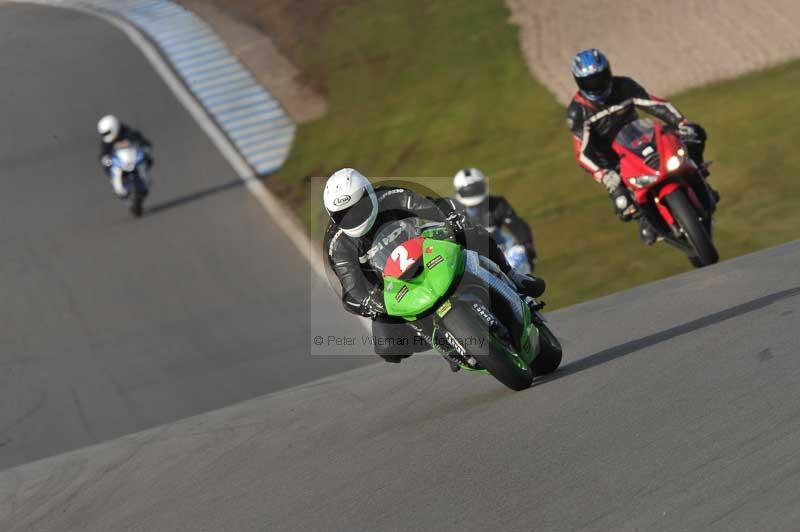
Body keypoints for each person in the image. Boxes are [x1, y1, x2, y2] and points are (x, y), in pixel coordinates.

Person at [323, 168, 546, 365]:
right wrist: (371, 302)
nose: (353, 218)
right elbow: (351, 289)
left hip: (428, 251)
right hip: (394, 287)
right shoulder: (338, 244)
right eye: (344, 215)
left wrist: (450, 219)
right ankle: (446, 341)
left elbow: (431, 206)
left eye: (357, 209)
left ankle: (513, 275)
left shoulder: (390, 196)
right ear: (333, 216)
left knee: (470, 231)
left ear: (369, 194)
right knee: (387, 346)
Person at [566, 48, 718, 245]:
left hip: (640, 138)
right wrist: (603, 174)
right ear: (579, 82)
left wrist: (682, 123)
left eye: (599, 77)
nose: (596, 85)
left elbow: (655, 105)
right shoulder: (577, 112)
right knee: (623, 204)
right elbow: (582, 153)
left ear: (608, 72)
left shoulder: (624, 86)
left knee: (695, 133)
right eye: (589, 81)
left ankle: (698, 172)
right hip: (611, 161)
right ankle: (644, 218)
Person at [452, 167, 536, 269]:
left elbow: (518, 226)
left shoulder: (497, 205)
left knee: (519, 253)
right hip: (475, 260)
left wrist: (527, 246)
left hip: (501, 252)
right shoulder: (454, 213)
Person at [97, 115, 153, 198]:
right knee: (108, 167)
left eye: (107, 133)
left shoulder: (127, 132)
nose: (105, 135)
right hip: (119, 161)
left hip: (133, 157)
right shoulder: (106, 142)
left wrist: (145, 147)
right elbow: (104, 153)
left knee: (146, 159)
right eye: (104, 134)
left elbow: (141, 140)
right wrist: (105, 158)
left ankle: (145, 179)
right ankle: (117, 184)